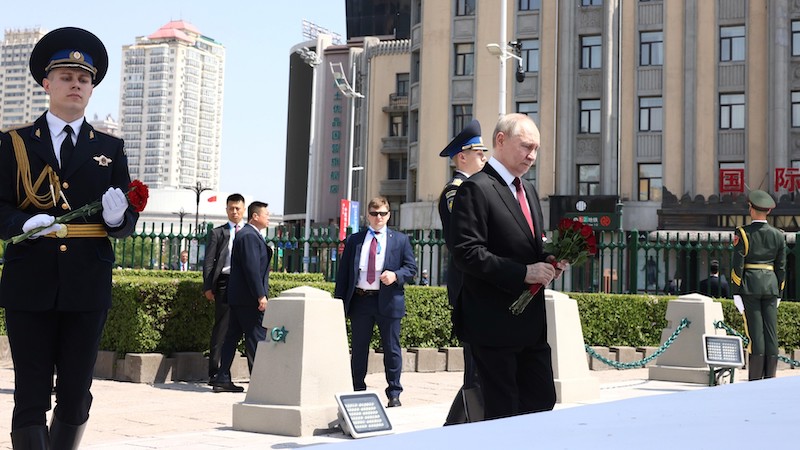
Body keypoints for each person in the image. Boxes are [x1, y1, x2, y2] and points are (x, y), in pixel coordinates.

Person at [0, 27, 138, 448]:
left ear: (91, 88)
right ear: (47, 84)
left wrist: (118, 219)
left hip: (86, 285)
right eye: (66, 76)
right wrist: (20, 225)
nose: (75, 84)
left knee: (77, 395)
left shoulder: (110, 149)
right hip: (30, 282)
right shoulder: (14, 143)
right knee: (31, 393)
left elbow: (126, 219)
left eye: (84, 79)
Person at [449, 113, 566, 420]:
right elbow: (467, 253)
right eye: (526, 146)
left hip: (531, 325)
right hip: (493, 324)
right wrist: (524, 273)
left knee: (542, 399)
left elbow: (532, 247)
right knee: (503, 412)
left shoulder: (527, 190)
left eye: (537, 149)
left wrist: (551, 262)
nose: (533, 156)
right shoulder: (475, 189)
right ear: (500, 141)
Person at [334, 196, 417, 408]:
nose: (378, 217)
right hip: (361, 300)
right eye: (374, 213)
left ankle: (394, 392)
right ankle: (357, 388)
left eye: (382, 213)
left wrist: (396, 275)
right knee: (359, 348)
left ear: (389, 215)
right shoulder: (355, 240)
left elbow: (411, 268)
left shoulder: (399, 240)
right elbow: (343, 274)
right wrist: (339, 304)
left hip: (388, 300)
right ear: (367, 216)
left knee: (392, 349)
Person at [437, 118, 488, 425]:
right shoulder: (456, 191)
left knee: (482, 364)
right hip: (468, 286)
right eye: (479, 151)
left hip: (477, 285)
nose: (484, 156)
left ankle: (454, 428)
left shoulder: (473, 189)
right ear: (462, 156)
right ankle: (465, 430)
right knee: (476, 364)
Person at [213, 201, 272, 393]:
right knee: (256, 339)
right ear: (255, 216)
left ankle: (222, 378)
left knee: (231, 338)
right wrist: (260, 295)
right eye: (266, 214)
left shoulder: (248, 235)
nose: (269, 217)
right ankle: (260, 384)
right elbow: (251, 269)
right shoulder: (249, 236)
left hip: (240, 298)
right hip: (248, 300)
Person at [731, 189, 786, 381]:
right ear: (768, 211)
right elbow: (781, 267)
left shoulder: (743, 233)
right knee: (771, 332)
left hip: (750, 287)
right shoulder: (779, 235)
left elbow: (737, 265)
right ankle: (770, 377)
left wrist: (736, 292)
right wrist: (779, 292)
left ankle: (755, 380)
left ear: (751, 209)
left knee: (755, 333)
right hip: (771, 287)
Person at [202, 193, 246, 387]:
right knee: (221, 329)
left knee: (246, 329)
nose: (234, 211)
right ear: (226, 210)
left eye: (237, 208)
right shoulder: (218, 233)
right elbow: (209, 262)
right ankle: (215, 372)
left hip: (245, 284)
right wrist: (208, 286)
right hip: (225, 283)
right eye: (231, 208)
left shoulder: (250, 233)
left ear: (244, 209)